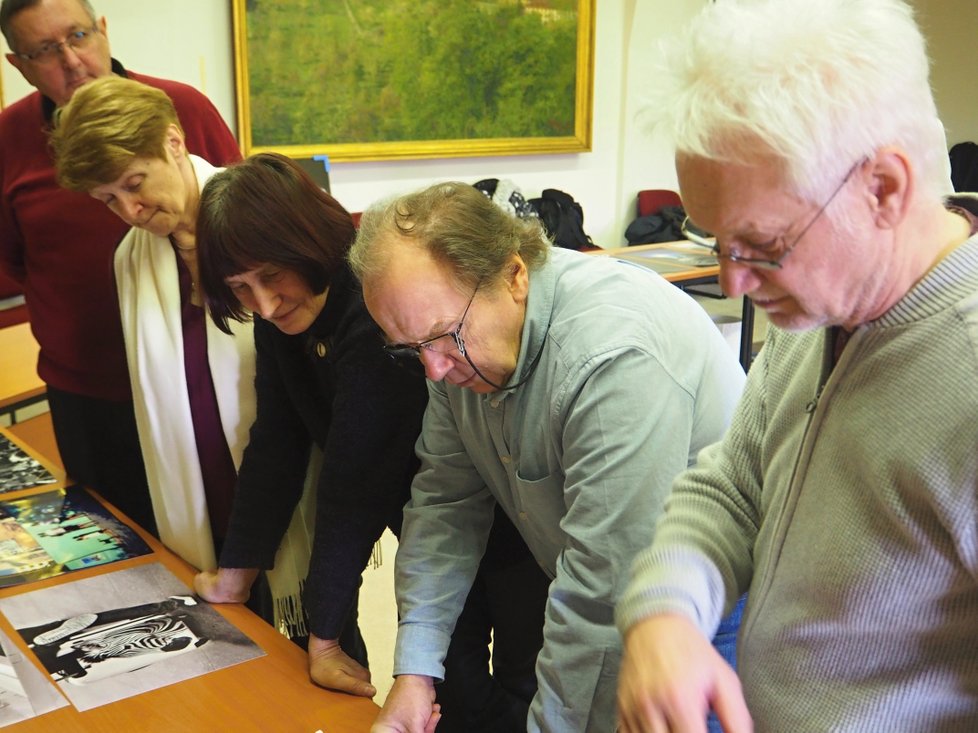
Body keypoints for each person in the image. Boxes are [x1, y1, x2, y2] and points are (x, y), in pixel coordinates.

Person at [614, 1, 978, 731]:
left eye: (760, 242)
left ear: (883, 188)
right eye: (714, 239)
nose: (733, 281)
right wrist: (668, 611)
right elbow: (735, 481)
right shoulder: (818, 307)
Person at [347, 182, 746, 732]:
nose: (434, 370)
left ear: (513, 276)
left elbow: (603, 591)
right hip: (606, 593)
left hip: (711, 610)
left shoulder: (612, 357)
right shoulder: (452, 347)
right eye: (411, 349)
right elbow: (444, 504)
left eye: (442, 338)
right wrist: (415, 672)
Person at [189, 155, 545, 728]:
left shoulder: (375, 307)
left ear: (303, 242)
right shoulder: (284, 315)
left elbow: (352, 488)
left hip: (510, 519)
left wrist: (324, 634)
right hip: (435, 527)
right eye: (240, 288)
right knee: (451, 683)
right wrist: (239, 571)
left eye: (270, 276)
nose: (263, 304)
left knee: (522, 685)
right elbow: (277, 444)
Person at [0, 0, 240, 534]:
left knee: (236, 537)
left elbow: (245, 220)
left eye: (79, 36)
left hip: (206, 379)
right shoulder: (9, 139)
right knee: (127, 553)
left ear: (103, 30)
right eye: (44, 51)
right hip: (91, 397)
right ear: (19, 65)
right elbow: (12, 263)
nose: (72, 60)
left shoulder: (180, 108)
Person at [49, 76, 255, 578]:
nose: (130, 211)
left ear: (173, 142)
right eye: (108, 199)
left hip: (275, 489)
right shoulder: (130, 259)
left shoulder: (257, 219)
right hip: (199, 498)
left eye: (134, 185)